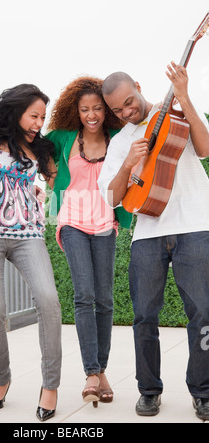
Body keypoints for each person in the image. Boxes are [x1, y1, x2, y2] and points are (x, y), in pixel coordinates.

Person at [98, 63, 209, 420]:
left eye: (130, 102)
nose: (127, 112)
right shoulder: (119, 143)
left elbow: (205, 149)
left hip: (195, 224)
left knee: (205, 314)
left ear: (139, 87)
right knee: (144, 316)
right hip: (147, 233)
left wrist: (183, 96)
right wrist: (127, 164)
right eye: (117, 110)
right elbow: (113, 197)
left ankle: (203, 391)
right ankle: (149, 390)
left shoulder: (176, 115)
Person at [0, 84, 62, 422]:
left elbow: (57, 184)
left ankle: (50, 386)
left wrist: (41, 194)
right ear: (16, 110)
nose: (39, 122)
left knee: (49, 300)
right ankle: (1, 380)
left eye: (43, 117)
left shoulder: (43, 148)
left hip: (27, 234)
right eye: (34, 115)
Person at [46, 77, 129, 407]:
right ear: (75, 111)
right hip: (72, 223)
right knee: (85, 295)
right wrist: (50, 177)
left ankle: (101, 370)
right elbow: (30, 143)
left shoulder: (120, 138)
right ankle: (91, 373)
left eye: (97, 108)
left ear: (107, 110)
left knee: (106, 299)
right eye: (84, 109)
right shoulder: (64, 138)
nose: (91, 114)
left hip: (106, 223)